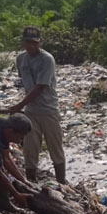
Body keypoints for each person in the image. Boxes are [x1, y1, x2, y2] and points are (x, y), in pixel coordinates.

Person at [9, 26, 67, 184]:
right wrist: (23, 106)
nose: (32, 46)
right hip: (31, 111)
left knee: (55, 146)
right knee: (30, 147)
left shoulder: (46, 59)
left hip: (48, 109)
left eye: (35, 43)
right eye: (28, 42)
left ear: (40, 42)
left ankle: (62, 181)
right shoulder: (21, 59)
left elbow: (40, 87)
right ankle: (31, 180)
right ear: (23, 42)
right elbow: (25, 83)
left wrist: (19, 105)